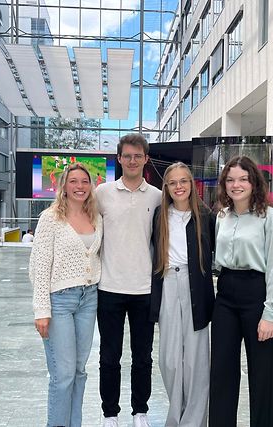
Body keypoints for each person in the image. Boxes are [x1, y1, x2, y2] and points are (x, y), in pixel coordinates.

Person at [209, 156, 273, 427]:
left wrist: (271, 314)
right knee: (221, 372)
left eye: (243, 179)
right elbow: (217, 259)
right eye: (230, 179)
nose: (236, 184)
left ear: (254, 182)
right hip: (226, 294)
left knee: (262, 375)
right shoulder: (222, 216)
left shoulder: (271, 218)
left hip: (257, 295)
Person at [29, 163, 102, 427]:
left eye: (84, 181)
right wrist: (41, 310)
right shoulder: (50, 218)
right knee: (63, 375)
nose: (79, 186)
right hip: (59, 300)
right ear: (64, 185)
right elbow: (38, 266)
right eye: (74, 181)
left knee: (80, 372)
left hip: (89, 298)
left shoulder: (96, 217)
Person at [96, 133, 161, 427]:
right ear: (119, 159)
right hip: (108, 288)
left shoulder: (158, 196)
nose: (132, 160)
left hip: (144, 290)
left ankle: (140, 412)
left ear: (146, 159)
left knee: (142, 357)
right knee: (109, 357)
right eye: (127, 156)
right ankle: (110, 413)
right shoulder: (102, 193)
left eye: (138, 156)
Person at [150, 162, 215, 427]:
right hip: (167, 283)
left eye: (183, 181)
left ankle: (194, 421)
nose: (179, 187)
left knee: (197, 361)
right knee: (169, 360)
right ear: (166, 187)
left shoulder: (205, 216)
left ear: (191, 184)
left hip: (196, 286)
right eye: (173, 182)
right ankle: (176, 415)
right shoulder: (159, 214)